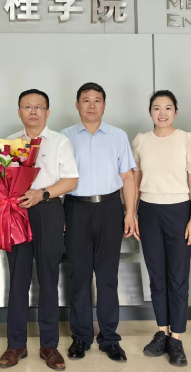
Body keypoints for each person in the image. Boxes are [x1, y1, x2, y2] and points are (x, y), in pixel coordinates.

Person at [0, 89, 79, 370]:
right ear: (19, 111)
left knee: (48, 278)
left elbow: (71, 180)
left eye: (38, 107)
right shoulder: (8, 143)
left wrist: (41, 194)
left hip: (48, 210)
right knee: (18, 280)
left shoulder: (60, 142)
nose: (33, 111)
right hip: (16, 212)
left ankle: (49, 345)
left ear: (47, 112)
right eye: (27, 106)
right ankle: (15, 344)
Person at [61, 82, 137, 362]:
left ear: (104, 105)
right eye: (86, 100)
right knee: (79, 277)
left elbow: (127, 177)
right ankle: (81, 337)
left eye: (97, 100)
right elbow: (57, 179)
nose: (91, 105)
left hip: (109, 209)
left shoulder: (118, 136)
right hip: (75, 209)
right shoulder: (64, 137)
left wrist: (130, 213)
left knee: (107, 277)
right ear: (77, 105)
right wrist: (60, 216)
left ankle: (109, 338)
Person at [132, 90, 191, 367]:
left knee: (178, 277)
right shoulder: (141, 141)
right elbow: (136, 182)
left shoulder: (187, 139)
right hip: (149, 212)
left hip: (179, 211)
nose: (162, 113)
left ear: (176, 111)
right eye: (156, 108)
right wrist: (133, 214)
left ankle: (176, 338)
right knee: (156, 276)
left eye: (168, 108)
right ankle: (162, 331)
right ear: (150, 111)